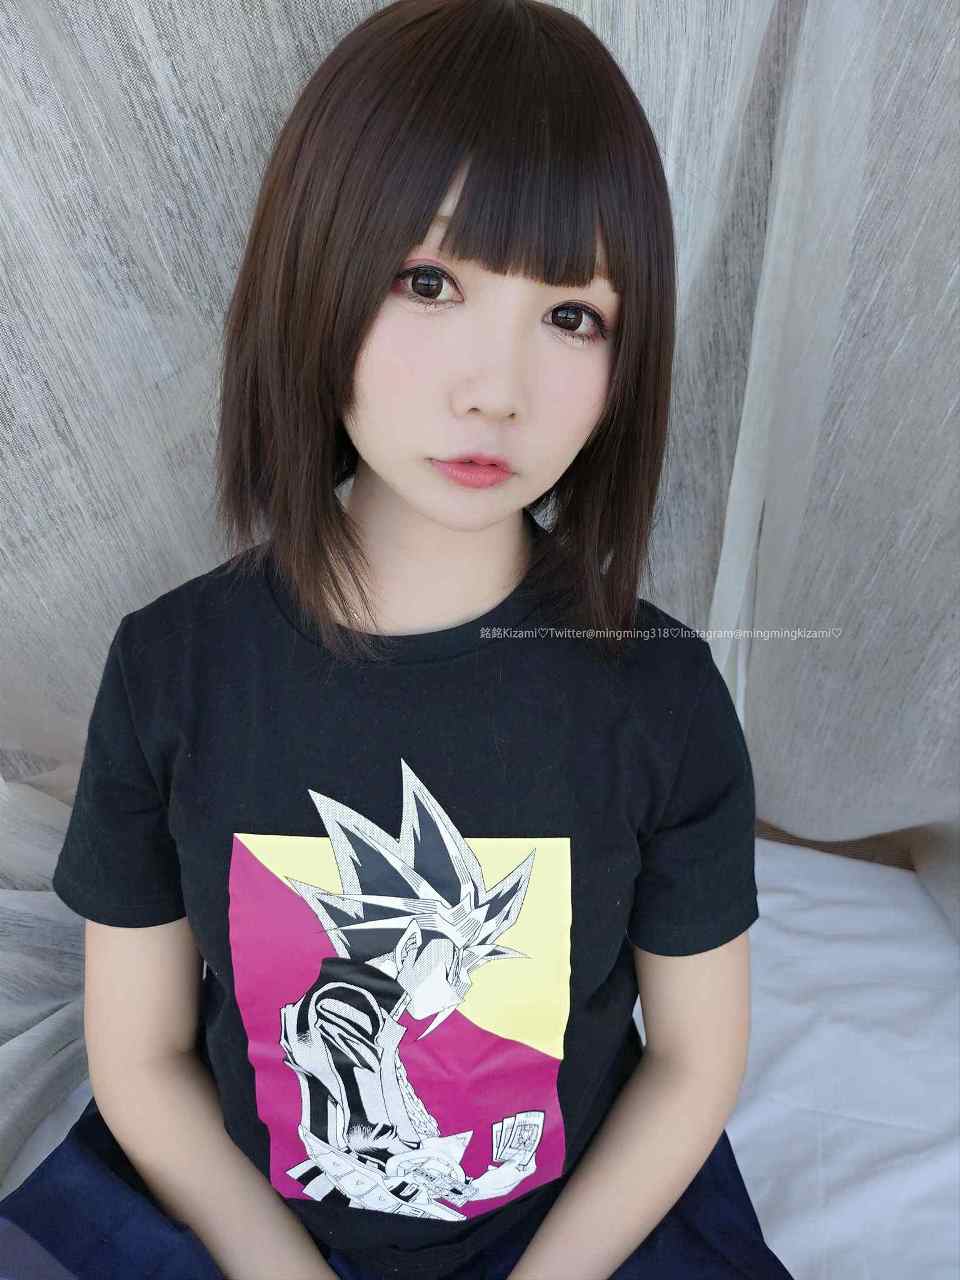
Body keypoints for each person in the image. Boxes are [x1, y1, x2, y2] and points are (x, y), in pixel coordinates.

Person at [11, 1, 796, 1277]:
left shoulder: (662, 696)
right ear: (316, 275)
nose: (497, 388)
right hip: (232, 1221)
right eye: (430, 283)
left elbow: (697, 1061)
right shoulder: (173, 670)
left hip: (571, 1232)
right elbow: (141, 1059)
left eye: (572, 315)